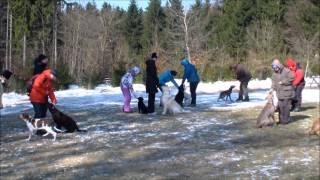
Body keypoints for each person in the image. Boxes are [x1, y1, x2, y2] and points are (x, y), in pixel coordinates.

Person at [271, 59, 295, 124]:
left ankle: (286, 121)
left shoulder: (286, 71)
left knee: (286, 107)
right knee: (280, 108)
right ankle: (281, 120)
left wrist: (283, 82)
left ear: (278, 66)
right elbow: (273, 82)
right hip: (279, 94)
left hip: (287, 93)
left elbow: (292, 77)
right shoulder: (274, 74)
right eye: (273, 67)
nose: (274, 69)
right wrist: (272, 88)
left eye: (275, 67)